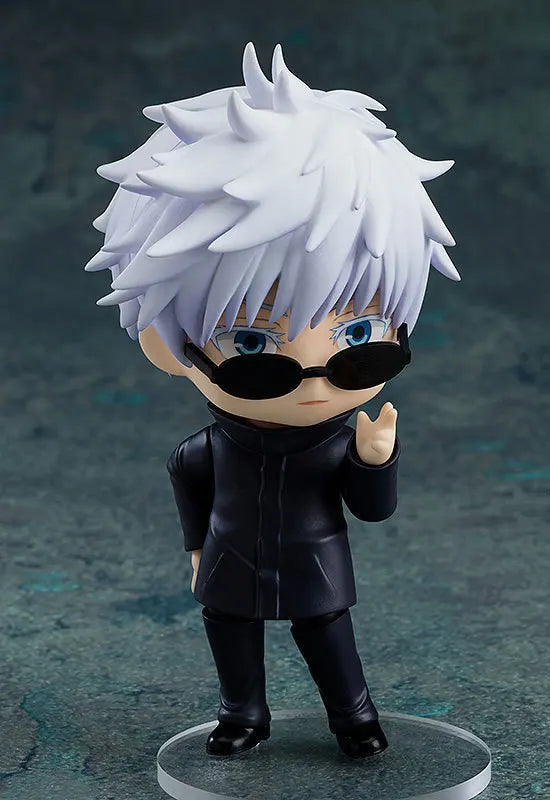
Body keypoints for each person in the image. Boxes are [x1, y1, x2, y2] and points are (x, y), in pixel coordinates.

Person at [86, 42, 459, 759]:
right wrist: (196, 547)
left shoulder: (336, 439)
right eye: (254, 345)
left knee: (327, 633)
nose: (316, 375)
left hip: (317, 562)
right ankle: (242, 715)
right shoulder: (209, 448)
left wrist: (375, 460)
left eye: (359, 336)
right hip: (230, 559)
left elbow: (372, 510)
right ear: (166, 346)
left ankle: (354, 717)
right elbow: (188, 477)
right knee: (231, 633)